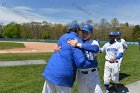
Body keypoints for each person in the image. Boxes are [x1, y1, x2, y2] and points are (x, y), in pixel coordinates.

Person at [42, 22, 97, 93]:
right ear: (77, 30)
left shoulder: (63, 37)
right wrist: (94, 63)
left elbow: (57, 48)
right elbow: (81, 63)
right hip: (63, 76)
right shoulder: (76, 40)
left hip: (49, 71)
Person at [67, 24, 103, 93]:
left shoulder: (93, 42)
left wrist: (78, 45)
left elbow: (95, 49)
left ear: (91, 34)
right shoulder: (77, 40)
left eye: (87, 32)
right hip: (81, 75)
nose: (84, 34)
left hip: (92, 74)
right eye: (83, 32)